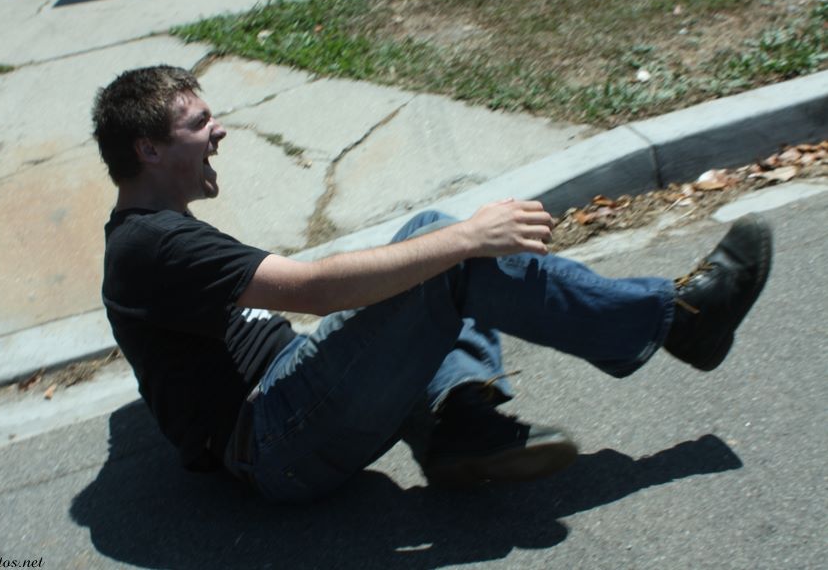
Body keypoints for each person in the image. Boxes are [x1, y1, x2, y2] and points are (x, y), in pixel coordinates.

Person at [94, 65, 772, 504]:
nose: (219, 131)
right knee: (451, 253)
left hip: (289, 402)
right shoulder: (153, 245)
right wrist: (469, 238)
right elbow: (312, 291)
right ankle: (677, 321)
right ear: (148, 150)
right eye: (198, 124)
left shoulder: (149, 234)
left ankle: (458, 420)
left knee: (426, 234)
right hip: (277, 441)